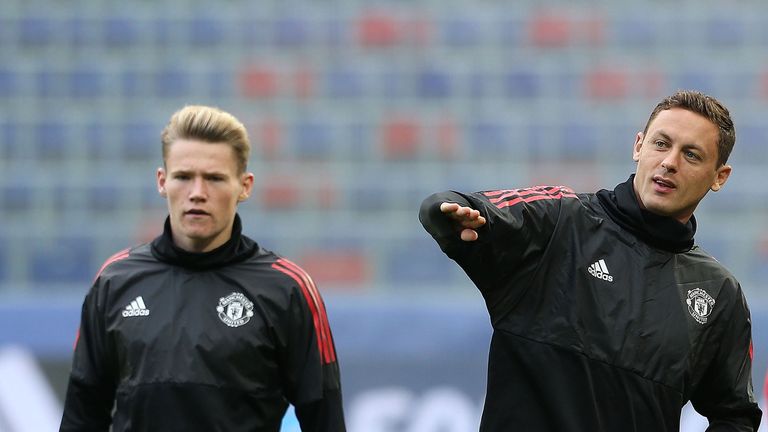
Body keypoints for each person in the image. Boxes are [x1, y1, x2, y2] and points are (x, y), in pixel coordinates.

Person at [419, 90, 761, 431]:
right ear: (638, 146)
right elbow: (473, 211)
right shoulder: (561, 222)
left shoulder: (718, 293)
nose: (670, 162)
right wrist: (445, 212)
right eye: (661, 144)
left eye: (691, 154)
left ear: (719, 176)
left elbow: (735, 416)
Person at [60, 105, 346, 431]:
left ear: (245, 186)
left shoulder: (288, 288)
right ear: (162, 181)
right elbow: (82, 415)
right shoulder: (115, 281)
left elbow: (324, 419)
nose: (197, 193)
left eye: (214, 178)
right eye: (183, 177)